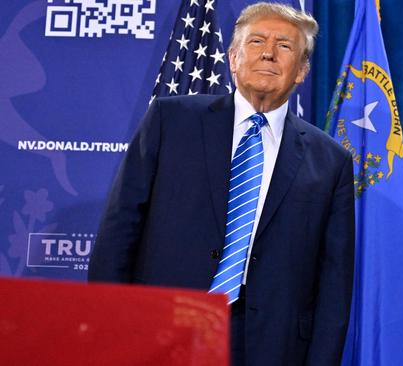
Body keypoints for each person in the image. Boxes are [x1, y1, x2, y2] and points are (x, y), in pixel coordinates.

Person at [88, 3, 355, 366]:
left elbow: (334, 282)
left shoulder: (331, 161)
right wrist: (110, 331)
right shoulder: (171, 121)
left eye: (285, 46)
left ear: (302, 72)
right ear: (233, 58)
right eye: (257, 41)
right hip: (166, 327)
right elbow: (119, 232)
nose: (268, 53)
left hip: (272, 345)